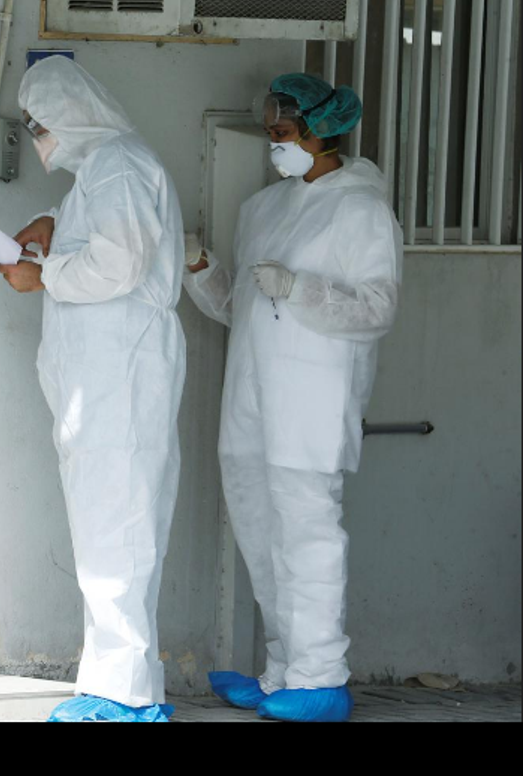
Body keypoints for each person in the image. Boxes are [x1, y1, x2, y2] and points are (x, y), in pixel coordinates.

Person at [183, 73, 402, 722]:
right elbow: (242, 307)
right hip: (251, 398)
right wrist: (200, 267)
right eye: (271, 132)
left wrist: (298, 287)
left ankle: (321, 676)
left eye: (283, 132)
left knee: (307, 532)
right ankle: (283, 670)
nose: (274, 143)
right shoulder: (262, 209)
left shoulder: (361, 210)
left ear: (320, 131)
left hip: (311, 400)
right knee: (260, 533)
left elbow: (377, 308)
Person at [0, 55, 185, 722]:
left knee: (119, 532)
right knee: (108, 532)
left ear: (73, 112)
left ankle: (124, 695)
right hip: (103, 386)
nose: (38, 137)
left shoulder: (120, 164)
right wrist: (53, 222)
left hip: (121, 380)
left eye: (41, 123)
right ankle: (116, 684)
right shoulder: (101, 172)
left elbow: (120, 261)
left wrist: (43, 276)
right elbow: (102, 233)